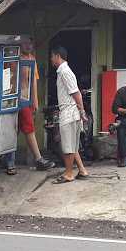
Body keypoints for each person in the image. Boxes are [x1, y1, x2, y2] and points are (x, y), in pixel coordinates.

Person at [0, 38, 54, 175]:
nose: (28, 46)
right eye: (26, 43)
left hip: (23, 98)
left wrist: (34, 100)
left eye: (30, 43)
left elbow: (33, 82)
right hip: (10, 98)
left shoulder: (31, 59)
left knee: (24, 129)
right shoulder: (13, 58)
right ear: (20, 45)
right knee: (8, 130)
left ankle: (10, 163)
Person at [50, 46, 89, 183]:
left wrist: (82, 111)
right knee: (72, 145)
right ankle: (82, 170)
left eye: (52, 56)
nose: (51, 59)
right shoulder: (62, 71)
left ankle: (68, 174)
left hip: (69, 112)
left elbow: (76, 93)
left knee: (68, 146)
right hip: (70, 112)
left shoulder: (65, 72)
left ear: (57, 56)